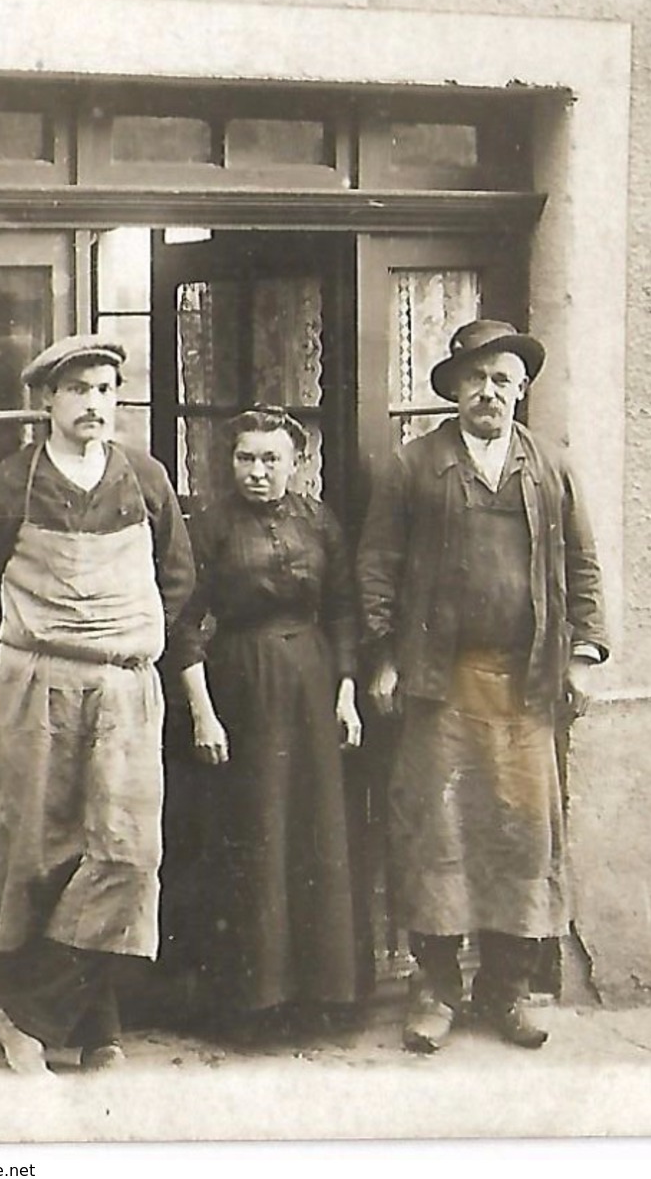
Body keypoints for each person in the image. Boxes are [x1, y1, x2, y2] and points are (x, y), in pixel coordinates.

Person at [357, 318, 607, 1053]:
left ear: (521, 390)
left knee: (521, 837)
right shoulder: (413, 467)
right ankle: (434, 990)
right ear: (454, 389)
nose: (489, 392)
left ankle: (507, 992)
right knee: (438, 833)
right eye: (476, 379)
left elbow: (584, 570)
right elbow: (377, 566)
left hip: (526, 686)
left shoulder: (550, 468)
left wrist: (582, 657)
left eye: (503, 379)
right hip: (442, 684)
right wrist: (384, 656)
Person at [0, 335, 196, 1075]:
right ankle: (99, 1028)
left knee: (125, 854)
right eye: (79, 389)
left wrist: (124, 641)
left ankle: (27, 1017)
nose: (95, 402)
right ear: (48, 401)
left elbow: (179, 580)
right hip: (36, 685)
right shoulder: (7, 485)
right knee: (42, 854)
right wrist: (36, 651)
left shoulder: (147, 479)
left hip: (125, 687)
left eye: (105, 388)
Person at [170, 406, 363, 1031]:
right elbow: (184, 624)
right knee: (256, 831)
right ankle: (254, 1002)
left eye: (271, 458)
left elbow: (342, 609)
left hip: (312, 682)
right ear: (230, 464)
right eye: (246, 458)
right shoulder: (211, 526)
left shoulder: (319, 520)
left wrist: (345, 692)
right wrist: (203, 713)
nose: (258, 471)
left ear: (296, 462)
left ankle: (320, 996)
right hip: (242, 686)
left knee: (313, 830)